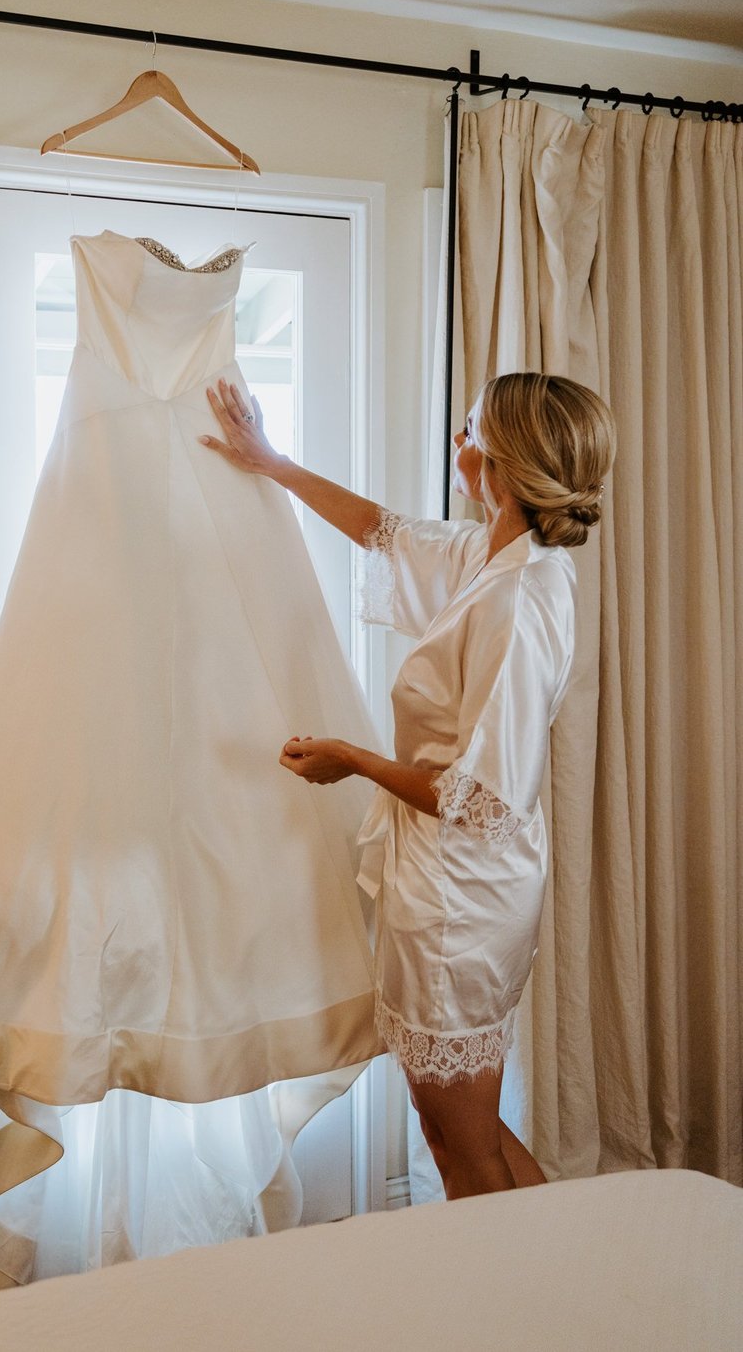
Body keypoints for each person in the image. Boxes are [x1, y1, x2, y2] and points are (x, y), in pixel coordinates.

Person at [201, 371, 617, 1199]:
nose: (456, 441)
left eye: (467, 429)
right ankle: (563, 1271)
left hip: (463, 900)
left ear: (494, 460)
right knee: (460, 1127)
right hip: (443, 882)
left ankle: (521, 1315)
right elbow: (381, 531)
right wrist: (272, 462)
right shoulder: (486, 554)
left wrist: (352, 760)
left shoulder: (524, 599)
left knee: (460, 1142)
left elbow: (486, 799)